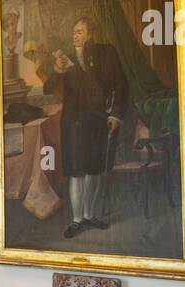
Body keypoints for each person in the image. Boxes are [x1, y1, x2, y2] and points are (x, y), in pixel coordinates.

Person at [43, 16, 129, 238]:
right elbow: (47, 88)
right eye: (74, 32)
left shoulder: (106, 52)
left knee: (95, 170)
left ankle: (90, 216)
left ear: (91, 34)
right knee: (76, 172)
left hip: (98, 120)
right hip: (73, 123)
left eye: (80, 31)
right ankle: (77, 219)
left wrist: (116, 116)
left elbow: (119, 85)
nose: (75, 35)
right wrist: (57, 71)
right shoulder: (66, 59)